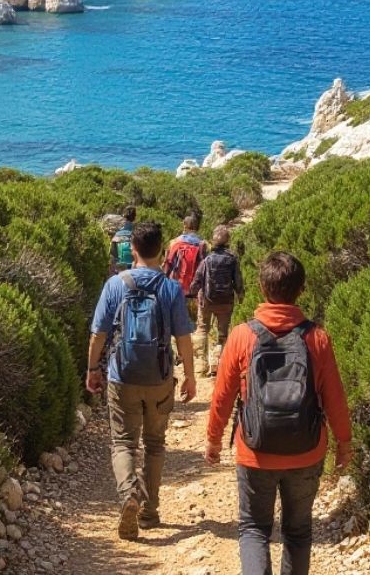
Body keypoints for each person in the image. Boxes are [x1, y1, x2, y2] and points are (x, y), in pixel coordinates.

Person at [204, 252, 353, 575]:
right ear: (302, 290)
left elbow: (223, 396)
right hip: (306, 451)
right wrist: (344, 442)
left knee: (254, 528)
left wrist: (214, 440)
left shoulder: (243, 336)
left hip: (255, 450)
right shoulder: (317, 338)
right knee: (298, 531)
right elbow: (335, 399)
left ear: (261, 287)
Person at [87, 220, 197, 540]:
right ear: (162, 251)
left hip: (122, 375)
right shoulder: (171, 288)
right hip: (160, 377)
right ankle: (149, 511)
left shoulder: (115, 284)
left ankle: (128, 497)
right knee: (155, 443)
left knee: (123, 442)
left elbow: (99, 334)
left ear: (132, 250)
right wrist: (189, 377)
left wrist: (92, 369)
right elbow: (184, 339)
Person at [189, 224, 245, 377]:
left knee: (202, 329)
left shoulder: (208, 259)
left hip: (206, 300)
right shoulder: (232, 259)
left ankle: (200, 366)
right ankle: (216, 365)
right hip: (225, 302)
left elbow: (197, 280)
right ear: (228, 241)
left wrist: (193, 293)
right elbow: (238, 281)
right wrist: (241, 296)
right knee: (222, 334)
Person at [164, 213, 208, 320]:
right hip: (195, 284)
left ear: (184, 226)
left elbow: (168, 262)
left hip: (177, 281)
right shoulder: (203, 244)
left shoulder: (174, 242)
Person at [109, 205, 137, 275]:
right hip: (134, 270)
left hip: (120, 270)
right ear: (135, 217)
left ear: (124, 216)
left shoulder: (117, 234)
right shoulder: (137, 235)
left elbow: (113, 255)